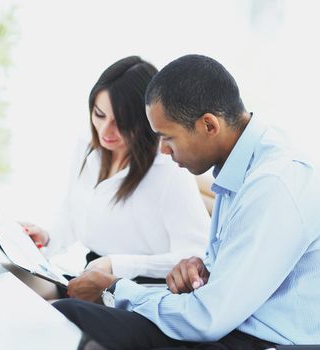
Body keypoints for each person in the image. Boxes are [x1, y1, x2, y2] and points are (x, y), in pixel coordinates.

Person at [53, 54, 320, 349]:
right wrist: (202, 269)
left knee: (77, 321)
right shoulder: (245, 164)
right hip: (232, 328)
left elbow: (207, 319)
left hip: (258, 342)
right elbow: (229, 286)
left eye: (168, 137)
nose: (162, 150)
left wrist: (114, 286)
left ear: (209, 125)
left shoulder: (274, 185)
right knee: (70, 314)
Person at [20, 56, 210, 299]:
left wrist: (116, 264)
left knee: (54, 312)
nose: (106, 131)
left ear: (146, 122)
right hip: (87, 277)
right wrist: (47, 237)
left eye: (121, 123)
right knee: (7, 278)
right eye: (99, 115)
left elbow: (196, 255)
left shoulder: (169, 170)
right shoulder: (87, 147)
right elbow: (74, 213)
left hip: (139, 293)